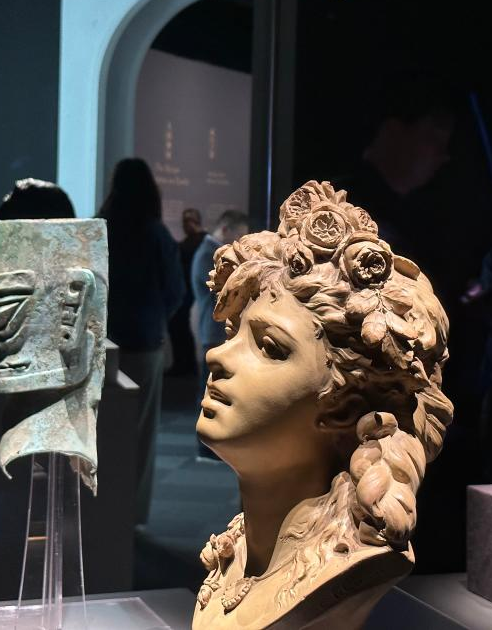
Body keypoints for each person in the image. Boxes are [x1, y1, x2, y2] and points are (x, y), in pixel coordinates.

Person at [192, 181, 452, 627]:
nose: (217, 355)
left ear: (343, 408)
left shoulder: (347, 568)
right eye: (233, 333)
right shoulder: (239, 546)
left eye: (269, 348)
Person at [98, 159, 184, 523]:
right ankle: (130, 514)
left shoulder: (99, 227)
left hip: (100, 343)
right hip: (144, 342)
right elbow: (175, 291)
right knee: (139, 432)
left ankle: (98, 505)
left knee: (101, 428)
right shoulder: (156, 233)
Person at [190, 210, 248, 458]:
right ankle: (206, 448)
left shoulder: (209, 253)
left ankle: (211, 447)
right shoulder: (208, 255)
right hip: (213, 332)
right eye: (238, 236)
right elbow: (220, 295)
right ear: (225, 230)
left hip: (214, 332)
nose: (239, 243)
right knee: (210, 392)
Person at [165, 208, 206, 377]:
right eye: (184, 221)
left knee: (179, 325)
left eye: (188, 220)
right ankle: (183, 365)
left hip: (190, 291)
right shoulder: (190, 242)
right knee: (178, 325)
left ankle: (186, 366)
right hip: (185, 291)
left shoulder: (201, 241)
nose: (185, 224)